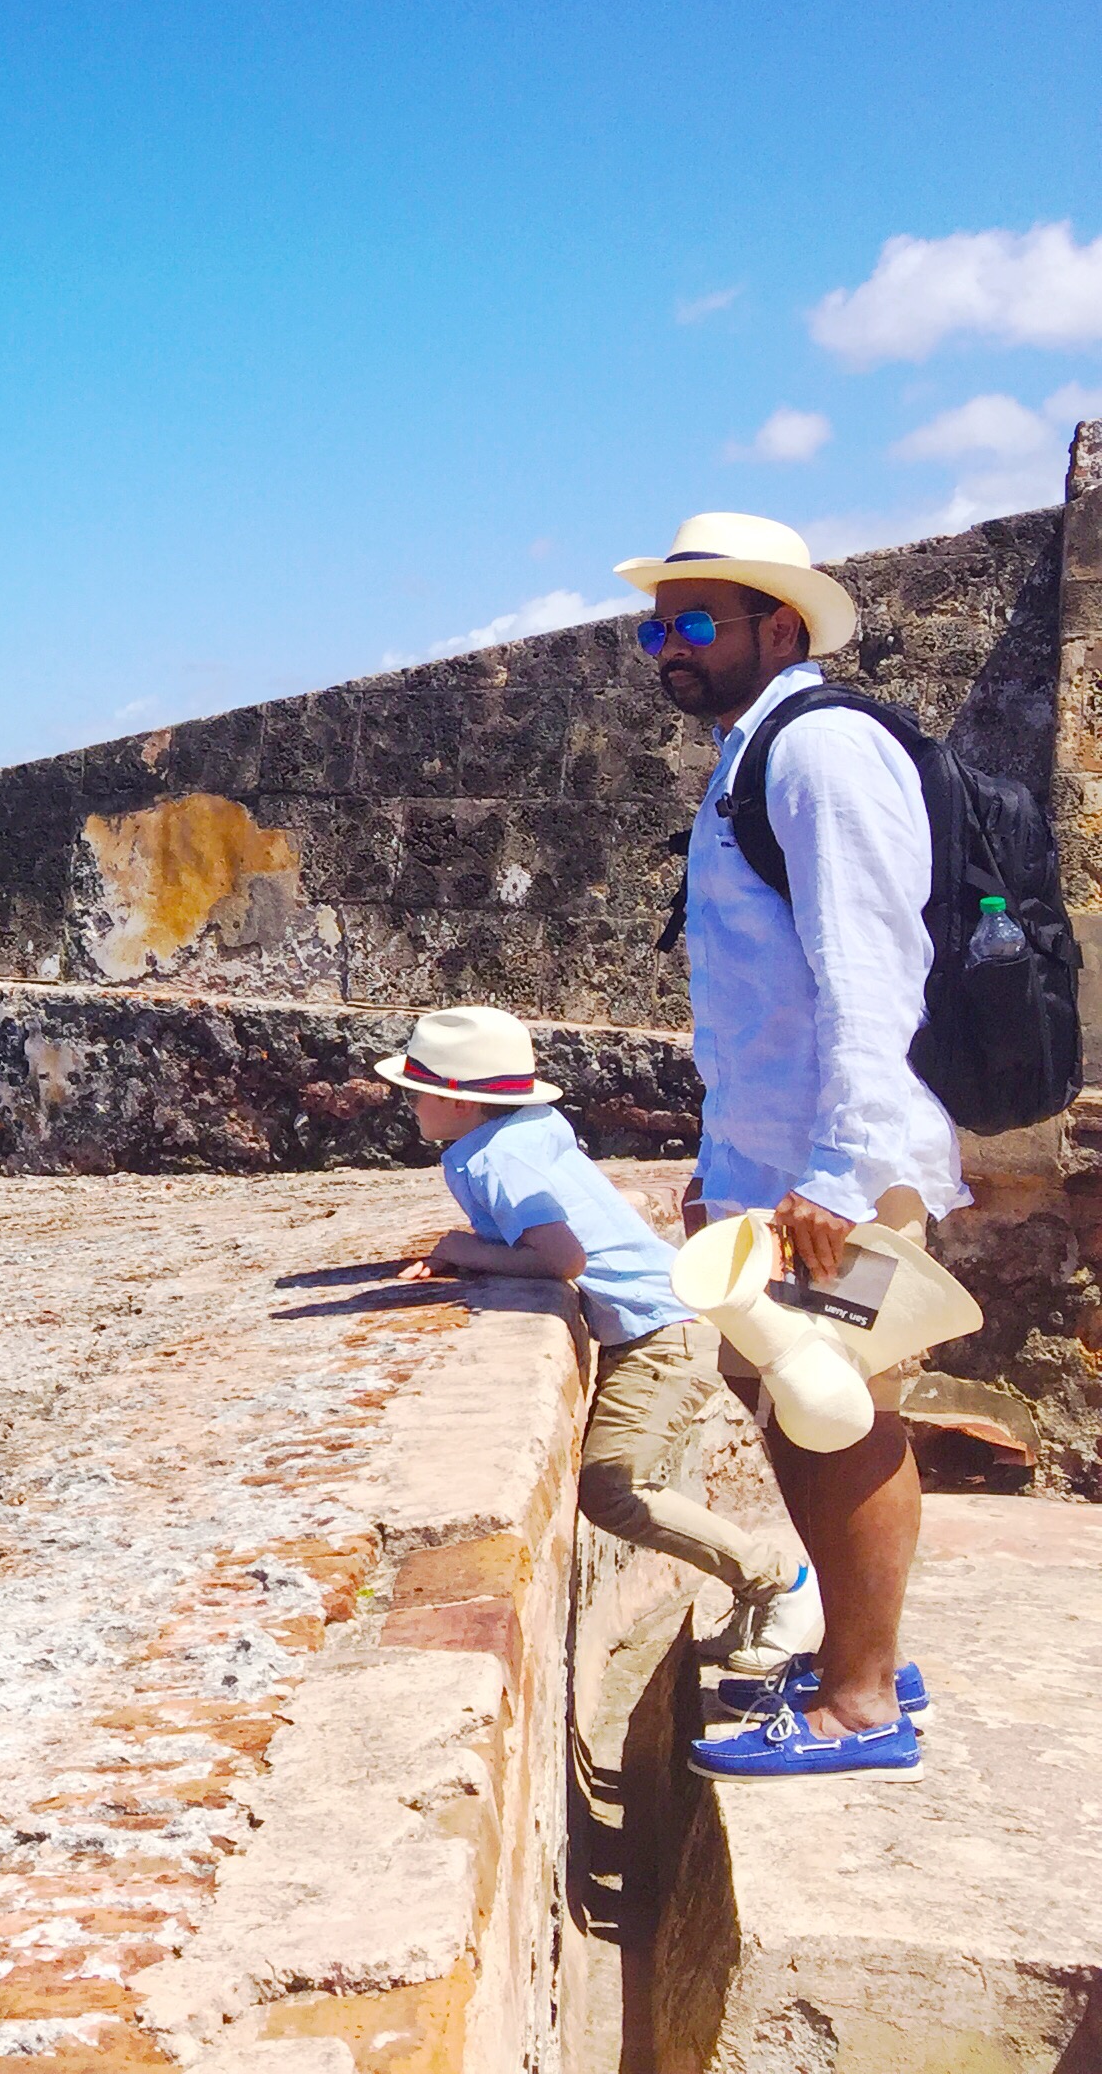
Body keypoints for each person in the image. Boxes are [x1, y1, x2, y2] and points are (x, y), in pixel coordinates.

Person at [621, 510, 950, 1782]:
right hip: (776, 1168)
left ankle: (861, 1704)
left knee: (839, 1409)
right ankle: (861, 1655)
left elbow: (873, 971)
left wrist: (833, 1176)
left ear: (781, 625)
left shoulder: (817, 754)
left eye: (696, 622)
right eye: (658, 624)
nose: (669, 646)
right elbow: (762, 1003)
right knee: (790, 1395)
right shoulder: (751, 756)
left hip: (832, 1176)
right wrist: (734, 1170)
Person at [380, 1006, 817, 1657]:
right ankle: (768, 1584)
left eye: (421, 1089)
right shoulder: (529, 1130)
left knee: (614, 1491)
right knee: (618, 1486)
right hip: (668, 1315)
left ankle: (776, 1582)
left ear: (463, 1104)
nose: (409, 1099)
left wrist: (463, 1250)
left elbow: (565, 1259)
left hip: (662, 1334)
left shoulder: (494, 1162)